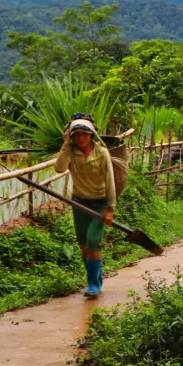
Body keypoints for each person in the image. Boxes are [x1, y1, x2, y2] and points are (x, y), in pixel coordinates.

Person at [55, 114, 116, 298]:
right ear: (71, 136)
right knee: (84, 245)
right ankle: (94, 277)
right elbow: (59, 168)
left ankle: (93, 285)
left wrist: (110, 208)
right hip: (79, 202)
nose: (80, 138)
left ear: (91, 135)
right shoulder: (71, 151)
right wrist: (66, 145)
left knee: (93, 241)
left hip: (100, 203)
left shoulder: (102, 153)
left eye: (84, 134)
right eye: (76, 135)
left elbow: (110, 180)